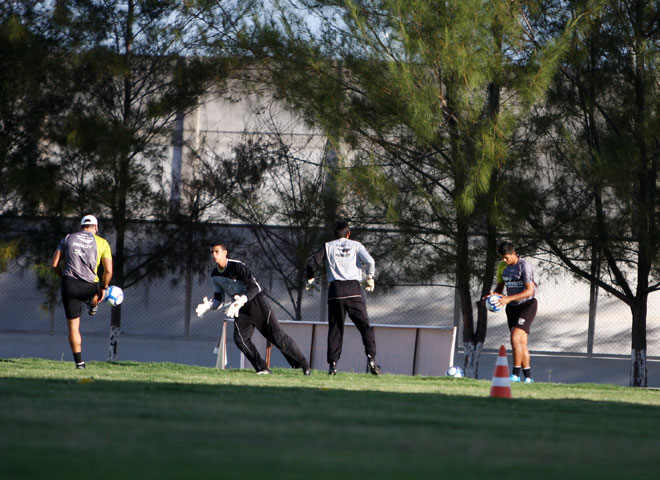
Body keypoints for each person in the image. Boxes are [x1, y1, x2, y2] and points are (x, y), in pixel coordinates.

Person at [196, 242, 311, 376]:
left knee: (277, 337)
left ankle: (303, 366)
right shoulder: (215, 274)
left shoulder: (237, 267)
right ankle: (262, 368)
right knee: (240, 340)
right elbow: (219, 299)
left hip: (257, 303)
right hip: (240, 309)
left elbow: (254, 288)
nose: (214, 255)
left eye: (217, 251)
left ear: (225, 253)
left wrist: (240, 301)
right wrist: (209, 306)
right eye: (212, 252)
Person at [306, 219, 379, 376]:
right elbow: (370, 261)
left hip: (335, 292)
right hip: (353, 290)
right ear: (349, 233)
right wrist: (370, 277)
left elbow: (311, 263)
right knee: (364, 327)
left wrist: (310, 279)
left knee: (336, 329)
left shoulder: (327, 246)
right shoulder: (356, 245)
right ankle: (371, 359)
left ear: (334, 234)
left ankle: (333, 365)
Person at [51, 215, 113, 369]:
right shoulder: (102, 242)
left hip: (69, 285)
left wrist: (63, 277)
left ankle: (79, 363)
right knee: (95, 294)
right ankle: (93, 303)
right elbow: (109, 271)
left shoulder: (68, 238)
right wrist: (104, 288)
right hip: (89, 286)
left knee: (73, 327)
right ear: (96, 228)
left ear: (81, 227)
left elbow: (54, 265)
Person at [487, 241, 538, 383]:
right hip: (512, 307)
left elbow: (529, 290)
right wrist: (494, 297)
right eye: (502, 258)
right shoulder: (503, 267)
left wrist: (508, 299)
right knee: (521, 343)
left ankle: (515, 375)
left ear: (513, 253)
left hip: (527, 305)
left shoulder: (524, 266)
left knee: (515, 338)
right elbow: (500, 287)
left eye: (506, 257)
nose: (504, 260)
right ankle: (528, 378)